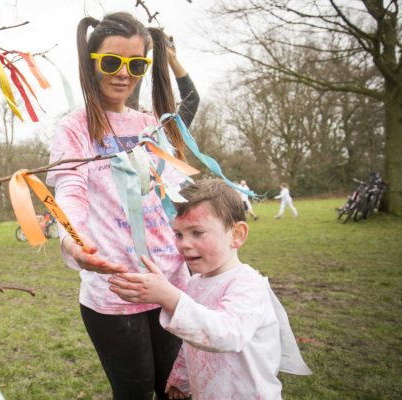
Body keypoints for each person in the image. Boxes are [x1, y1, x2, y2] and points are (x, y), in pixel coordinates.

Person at [46, 12, 200, 399]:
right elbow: (70, 191)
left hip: (171, 284)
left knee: (176, 389)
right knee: (133, 393)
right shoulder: (74, 128)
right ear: (92, 62)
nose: (123, 74)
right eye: (112, 62)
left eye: (136, 65)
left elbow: (190, 104)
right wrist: (73, 242)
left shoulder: (151, 124)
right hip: (115, 291)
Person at [109, 179, 311, 399]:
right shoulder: (195, 282)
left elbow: (226, 335)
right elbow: (192, 340)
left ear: (237, 235)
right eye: (179, 234)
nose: (184, 243)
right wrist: (181, 378)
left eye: (197, 232)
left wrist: (169, 296)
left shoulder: (248, 285)